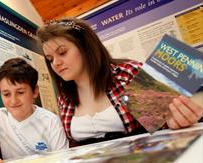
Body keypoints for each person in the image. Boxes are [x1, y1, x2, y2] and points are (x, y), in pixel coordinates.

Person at [36, 18, 203, 146]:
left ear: (85, 47)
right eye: (50, 59)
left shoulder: (127, 73)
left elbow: (164, 126)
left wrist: (179, 121)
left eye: (62, 53)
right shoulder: (64, 96)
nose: (56, 63)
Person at [0, 58, 68, 163]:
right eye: (6, 94)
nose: (13, 101)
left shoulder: (51, 121)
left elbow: (64, 162)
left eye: (20, 92)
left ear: (35, 91)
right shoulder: (0, 117)